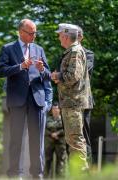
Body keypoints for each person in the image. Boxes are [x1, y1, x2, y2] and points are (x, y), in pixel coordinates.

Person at [0, 19, 51, 178]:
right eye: (31, 33)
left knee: (37, 141)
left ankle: (37, 175)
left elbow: (48, 76)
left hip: (37, 100)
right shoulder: (7, 49)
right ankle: (15, 174)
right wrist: (20, 66)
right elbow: (0, 71)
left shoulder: (39, 49)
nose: (34, 35)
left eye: (35, 32)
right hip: (17, 100)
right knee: (16, 140)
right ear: (21, 32)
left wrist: (42, 70)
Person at [51, 23, 91, 171]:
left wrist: (57, 75)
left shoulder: (74, 51)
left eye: (60, 35)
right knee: (73, 139)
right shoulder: (72, 51)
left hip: (73, 102)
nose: (58, 38)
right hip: (71, 102)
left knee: (75, 139)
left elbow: (73, 76)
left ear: (66, 36)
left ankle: (81, 172)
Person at [77, 25, 95, 164]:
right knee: (71, 137)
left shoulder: (88, 54)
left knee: (84, 135)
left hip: (83, 101)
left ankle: (88, 171)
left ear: (81, 37)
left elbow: (82, 71)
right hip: (69, 102)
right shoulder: (65, 54)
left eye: (76, 35)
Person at [44, 102, 67, 178]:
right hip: (49, 142)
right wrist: (51, 134)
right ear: (51, 110)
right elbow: (44, 129)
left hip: (60, 142)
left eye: (56, 108)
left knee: (61, 162)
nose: (55, 110)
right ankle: (46, 177)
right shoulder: (47, 119)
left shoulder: (63, 119)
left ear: (59, 110)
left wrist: (57, 133)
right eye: (53, 109)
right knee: (47, 161)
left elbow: (66, 129)